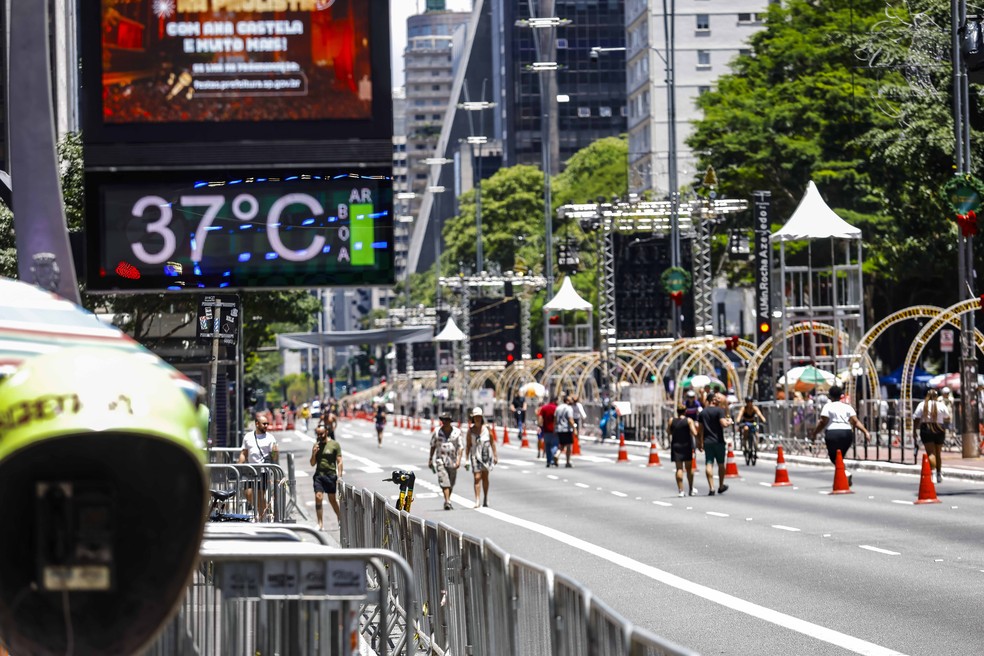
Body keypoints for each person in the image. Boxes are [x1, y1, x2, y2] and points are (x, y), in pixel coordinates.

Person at [811, 385, 871, 486]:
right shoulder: (847, 407)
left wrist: (814, 433)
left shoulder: (828, 406)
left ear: (830, 396)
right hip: (847, 433)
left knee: (833, 456)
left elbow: (823, 422)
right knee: (840, 456)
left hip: (832, 433)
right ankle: (843, 475)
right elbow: (855, 422)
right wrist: (865, 432)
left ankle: (845, 473)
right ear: (841, 396)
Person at [238, 412, 279, 520]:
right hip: (250, 470)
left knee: (260, 495)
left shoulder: (270, 438)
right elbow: (244, 453)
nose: (266, 426)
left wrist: (275, 452)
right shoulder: (248, 437)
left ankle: (262, 519)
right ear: (257, 424)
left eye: (267, 424)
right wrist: (238, 465)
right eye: (264, 424)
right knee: (248, 493)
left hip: (263, 471)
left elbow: (274, 457)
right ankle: (266, 509)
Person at [696, 393, 733, 496]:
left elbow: (700, 430)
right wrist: (729, 421)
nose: (719, 399)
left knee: (709, 463)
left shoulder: (702, 413)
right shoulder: (719, 410)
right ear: (712, 400)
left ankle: (711, 488)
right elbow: (724, 424)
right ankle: (721, 486)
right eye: (717, 398)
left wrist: (700, 442)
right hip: (718, 441)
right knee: (721, 464)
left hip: (708, 442)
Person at [310, 423, 343, 530]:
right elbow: (312, 463)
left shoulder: (334, 444)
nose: (319, 436)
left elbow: (339, 461)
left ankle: (340, 517)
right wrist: (314, 453)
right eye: (318, 434)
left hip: (330, 475)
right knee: (318, 497)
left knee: (332, 499)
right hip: (319, 475)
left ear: (327, 432)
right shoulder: (316, 445)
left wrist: (339, 476)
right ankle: (320, 523)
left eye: (321, 434)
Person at [428, 412, 464, 510]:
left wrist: (459, 460)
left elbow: (460, 447)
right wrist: (430, 459)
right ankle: (447, 501)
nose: (445, 422)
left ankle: (448, 499)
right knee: (444, 480)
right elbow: (433, 445)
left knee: (451, 482)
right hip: (440, 460)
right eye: (443, 420)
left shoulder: (457, 432)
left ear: (450, 421)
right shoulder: (436, 432)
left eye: (447, 420)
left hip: (453, 461)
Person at [913, 389, 949, 484]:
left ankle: (932, 473)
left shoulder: (922, 405)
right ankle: (939, 473)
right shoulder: (941, 405)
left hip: (927, 428)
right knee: (938, 453)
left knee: (931, 453)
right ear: (936, 397)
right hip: (939, 428)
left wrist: (914, 431)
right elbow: (947, 416)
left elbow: (916, 418)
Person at [465, 407, 498, 508]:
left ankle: (485, 498)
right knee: (477, 477)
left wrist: (495, 455)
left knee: (485, 477)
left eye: (479, 416)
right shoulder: (470, 431)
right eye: (476, 417)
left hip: (485, 455)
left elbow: (492, 442)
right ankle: (477, 500)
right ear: (473, 418)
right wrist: (466, 460)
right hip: (475, 455)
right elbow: (468, 445)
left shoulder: (487, 429)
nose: (478, 418)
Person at [669, 404, 698, 497]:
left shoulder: (671, 420)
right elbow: (694, 432)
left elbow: (668, 431)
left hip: (676, 446)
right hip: (687, 446)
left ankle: (681, 490)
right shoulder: (689, 421)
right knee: (689, 469)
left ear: (677, 411)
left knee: (679, 468)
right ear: (685, 411)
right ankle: (690, 489)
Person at [737, 398, 767, 463]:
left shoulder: (754, 408)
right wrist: (738, 421)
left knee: (756, 433)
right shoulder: (744, 408)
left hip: (753, 422)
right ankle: (745, 443)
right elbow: (739, 415)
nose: (749, 403)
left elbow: (760, 414)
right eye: (748, 402)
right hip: (746, 422)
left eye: (750, 402)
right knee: (746, 429)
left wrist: (764, 420)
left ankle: (755, 447)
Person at [554, 395, 576, 468]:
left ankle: (557, 454)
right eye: (570, 400)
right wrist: (574, 428)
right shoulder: (568, 408)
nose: (572, 401)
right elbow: (570, 419)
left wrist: (555, 428)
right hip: (567, 429)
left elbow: (555, 418)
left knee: (562, 444)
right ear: (567, 401)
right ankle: (567, 461)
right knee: (569, 445)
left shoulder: (558, 408)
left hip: (559, 429)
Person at [537, 396, 559, 467]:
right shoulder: (556, 408)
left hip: (546, 430)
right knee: (554, 445)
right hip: (555, 430)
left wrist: (540, 426)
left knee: (547, 445)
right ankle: (553, 459)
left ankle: (548, 460)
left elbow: (540, 418)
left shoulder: (544, 408)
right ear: (555, 401)